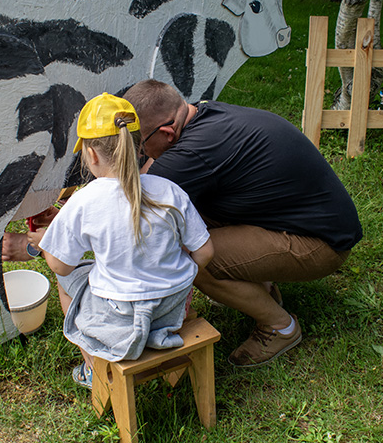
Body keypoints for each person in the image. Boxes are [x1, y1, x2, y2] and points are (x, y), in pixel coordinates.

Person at [121, 79, 363, 368]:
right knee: (184, 221)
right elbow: (151, 180)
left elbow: (129, 206)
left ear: (167, 132)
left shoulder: (194, 152)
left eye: (141, 144)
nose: (141, 154)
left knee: (189, 258)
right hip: (299, 220)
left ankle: (280, 327)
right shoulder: (202, 113)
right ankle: (263, 288)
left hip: (320, 244)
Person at [35, 92, 214, 388]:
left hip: (119, 317)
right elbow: (205, 252)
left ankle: (92, 365)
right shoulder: (169, 190)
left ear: (91, 155)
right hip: (171, 308)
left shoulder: (84, 201)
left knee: (66, 281)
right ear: (138, 145)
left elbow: (60, 265)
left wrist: (43, 243)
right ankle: (156, 332)